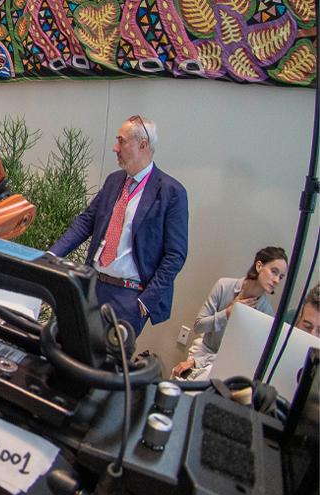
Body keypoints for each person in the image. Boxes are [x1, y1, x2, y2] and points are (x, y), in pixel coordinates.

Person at [49, 115, 188, 337]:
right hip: (92, 286)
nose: (115, 148)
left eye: (121, 141)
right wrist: (50, 255)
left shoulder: (171, 192)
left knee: (104, 366)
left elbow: (175, 255)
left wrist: (144, 302)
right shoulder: (114, 180)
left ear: (142, 145)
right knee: (63, 344)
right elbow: (86, 222)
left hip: (128, 298)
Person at [173, 247, 288, 380]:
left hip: (229, 364)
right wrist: (227, 313)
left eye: (281, 277)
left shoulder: (266, 315)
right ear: (259, 266)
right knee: (176, 379)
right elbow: (199, 326)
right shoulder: (224, 286)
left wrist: (199, 362)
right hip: (204, 349)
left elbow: (242, 355)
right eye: (274, 272)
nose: (277, 281)